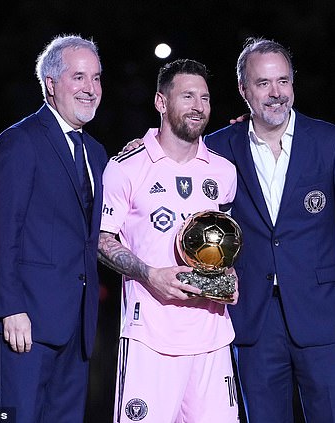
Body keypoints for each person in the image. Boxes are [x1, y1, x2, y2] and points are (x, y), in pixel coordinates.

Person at [204, 37, 335, 423]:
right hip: (252, 317)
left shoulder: (332, 142)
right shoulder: (216, 149)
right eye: (263, 83)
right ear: (243, 90)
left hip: (326, 316)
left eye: (283, 81)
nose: (276, 93)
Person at [0, 35, 108, 423]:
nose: (91, 88)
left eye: (97, 78)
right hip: (25, 324)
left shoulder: (96, 152)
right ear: (51, 84)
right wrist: (10, 308)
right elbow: (0, 231)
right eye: (79, 77)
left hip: (76, 328)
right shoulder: (20, 141)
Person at [97, 59, 239, 423]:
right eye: (187, 96)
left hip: (212, 337)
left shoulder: (222, 171)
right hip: (150, 339)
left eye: (205, 98)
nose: (198, 106)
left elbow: (223, 246)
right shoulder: (126, 167)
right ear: (161, 102)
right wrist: (149, 274)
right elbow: (102, 240)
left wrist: (228, 278)